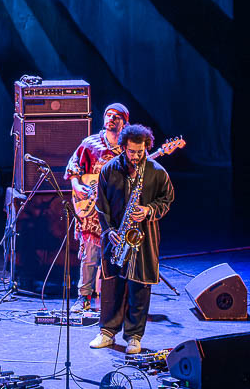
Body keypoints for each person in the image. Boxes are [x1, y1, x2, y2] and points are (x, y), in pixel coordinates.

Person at [89, 124, 174, 355]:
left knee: (139, 288)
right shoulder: (109, 169)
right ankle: (107, 332)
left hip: (144, 239)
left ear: (147, 147)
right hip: (116, 237)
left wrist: (148, 210)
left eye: (140, 152)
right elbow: (101, 205)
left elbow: (167, 199)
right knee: (111, 287)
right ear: (123, 147)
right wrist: (109, 230)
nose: (135, 157)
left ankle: (134, 336)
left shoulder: (157, 171)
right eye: (131, 152)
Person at [63, 103, 129, 312]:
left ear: (124, 122)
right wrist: (77, 186)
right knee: (90, 256)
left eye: (116, 116)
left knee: (117, 256)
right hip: (92, 212)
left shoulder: (129, 147)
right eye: (108, 115)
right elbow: (73, 166)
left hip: (117, 211)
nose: (111, 119)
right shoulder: (91, 144)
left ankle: (112, 299)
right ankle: (84, 297)